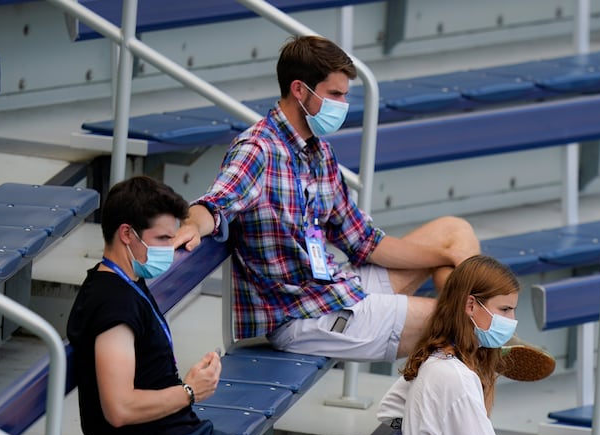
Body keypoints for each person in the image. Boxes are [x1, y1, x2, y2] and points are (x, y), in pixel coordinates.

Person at [174, 34, 482, 366]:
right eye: (334, 94)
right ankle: (490, 331)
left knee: (455, 232)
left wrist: (446, 255)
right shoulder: (258, 148)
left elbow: (364, 241)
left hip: (333, 286)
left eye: (345, 96)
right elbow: (217, 202)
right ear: (299, 90)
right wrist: (193, 222)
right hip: (298, 316)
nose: (342, 105)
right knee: (464, 324)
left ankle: (486, 318)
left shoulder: (320, 153)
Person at [67, 175, 337, 435]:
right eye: (162, 239)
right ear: (127, 234)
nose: (170, 248)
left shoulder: (129, 282)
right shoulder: (112, 304)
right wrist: (190, 391)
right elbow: (119, 409)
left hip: (184, 433)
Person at [380, 255, 542, 435]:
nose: (511, 321)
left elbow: (390, 409)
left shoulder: (435, 361)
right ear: (470, 306)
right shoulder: (453, 379)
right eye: (504, 310)